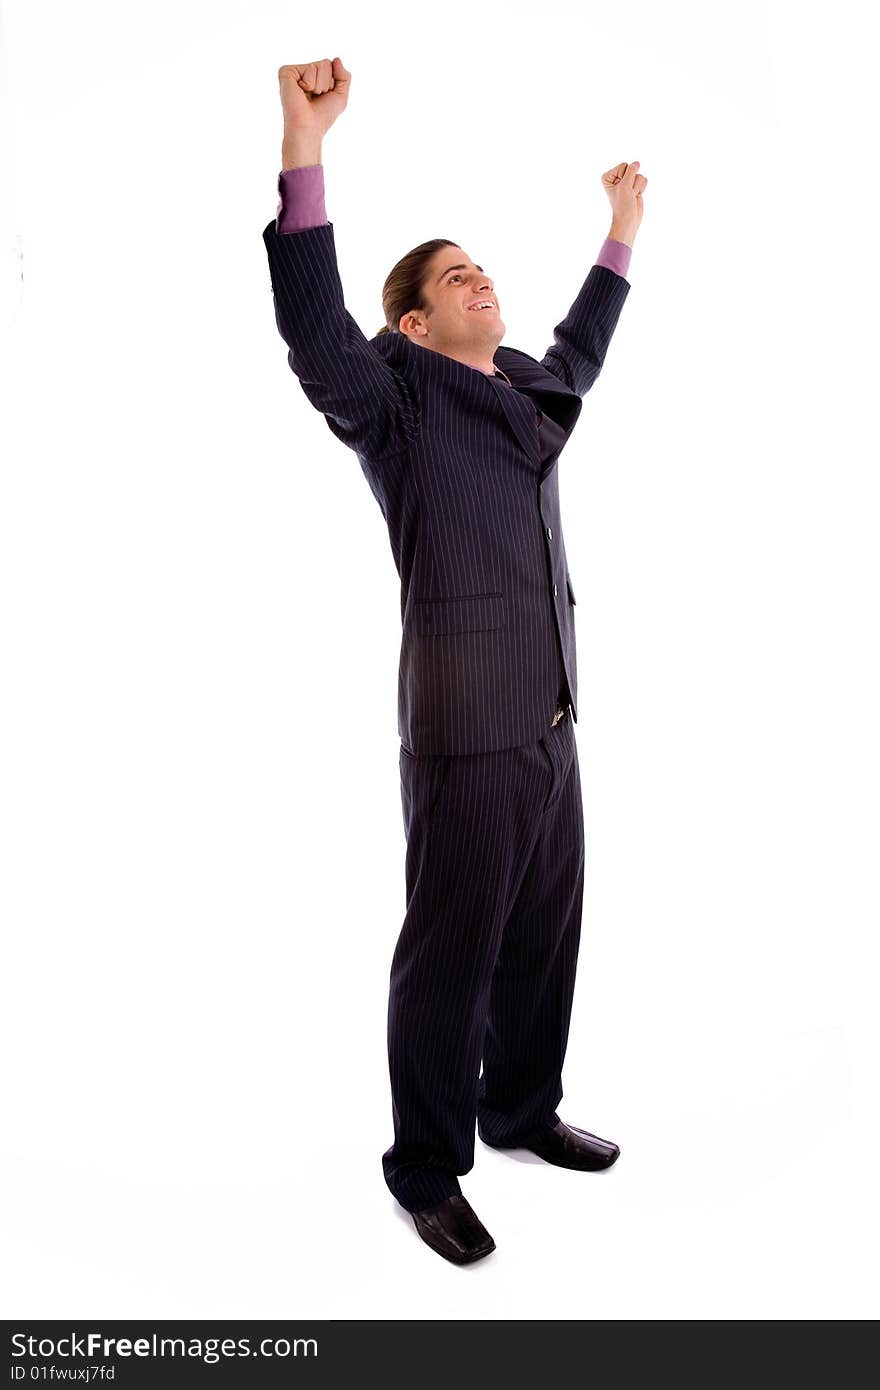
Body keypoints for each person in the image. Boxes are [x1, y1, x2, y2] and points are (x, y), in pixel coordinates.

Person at [262, 57, 646, 1266]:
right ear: (413, 325)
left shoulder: (523, 389)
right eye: (453, 277)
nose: (481, 278)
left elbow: (577, 352)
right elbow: (315, 331)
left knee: (544, 932)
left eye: (483, 266)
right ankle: (427, 1167)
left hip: (550, 717)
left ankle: (519, 1109)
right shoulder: (394, 402)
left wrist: (619, 232)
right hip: (463, 728)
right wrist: (303, 147)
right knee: (450, 955)